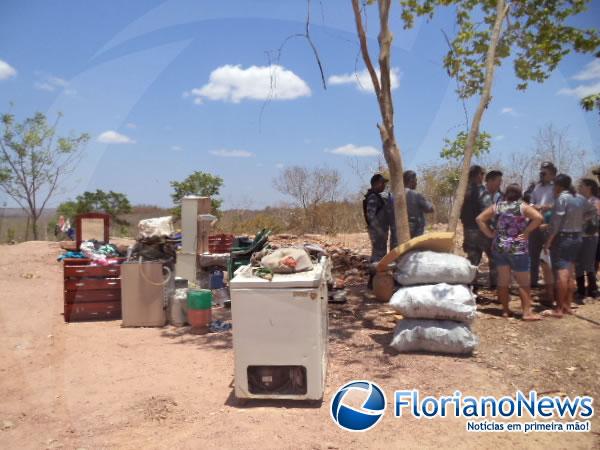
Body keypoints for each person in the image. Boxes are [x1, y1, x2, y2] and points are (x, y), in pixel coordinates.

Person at [476, 183, 543, 321]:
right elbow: (538, 218)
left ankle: (505, 310)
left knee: (503, 280)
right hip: (518, 247)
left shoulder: (499, 206)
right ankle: (526, 313)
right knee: (523, 281)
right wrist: (527, 231)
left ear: (506, 193)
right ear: (520, 194)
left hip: (500, 246)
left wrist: (489, 234)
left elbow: (479, 219)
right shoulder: (522, 206)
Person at [543, 174, 595, 317]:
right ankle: (567, 306)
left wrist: (548, 241)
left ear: (559, 186)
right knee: (569, 272)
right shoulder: (580, 198)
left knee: (561, 274)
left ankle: (559, 309)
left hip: (562, 238)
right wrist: (580, 221)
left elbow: (556, 224)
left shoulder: (561, 199)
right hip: (577, 238)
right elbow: (592, 211)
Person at [460, 165, 492, 288]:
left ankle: (470, 289)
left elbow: (461, 214)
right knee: (494, 259)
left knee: (472, 261)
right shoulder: (482, 191)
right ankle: (497, 289)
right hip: (482, 230)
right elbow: (488, 212)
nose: (483, 177)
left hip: (468, 231)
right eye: (482, 174)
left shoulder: (464, 192)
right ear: (478, 175)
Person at [528, 162, 557, 288]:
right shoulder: (536, 187)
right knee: (533, 255)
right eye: (541, 171)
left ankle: (553, 285)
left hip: (549, 224)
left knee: (551, 255)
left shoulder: (556, 187)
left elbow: (559, 204)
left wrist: (546, 207)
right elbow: (531, 202)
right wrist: (534, 206)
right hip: (535, 223)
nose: (542, 174)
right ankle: (533, 283)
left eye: (544, 172)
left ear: (552, 174)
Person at [363, 173, 397, 264]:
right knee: (378, 257)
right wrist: (379, 231)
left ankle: (378, 274)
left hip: (380, 232)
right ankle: (375, 275)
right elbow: (371, 216)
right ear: (376, 183)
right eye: (382, 183)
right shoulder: (373, 197)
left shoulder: (378, 196)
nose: (384, 185)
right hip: (377, 233)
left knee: (381, 255)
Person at [575, 178, 600, 300]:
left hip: (590, 237)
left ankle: (593, 289)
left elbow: (593, 215)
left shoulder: (595, 201)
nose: (579, 187)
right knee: (578, 264)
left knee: (589, 263)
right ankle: (580, 290)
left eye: (581, 185)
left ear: (589, 187)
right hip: (579, 235)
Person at [403, 170, 433, 238]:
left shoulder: (395, 195)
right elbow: (430, 209)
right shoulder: (416, 195)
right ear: (411, 180)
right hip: (415, 232)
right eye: (416, 180)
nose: (416, 183)